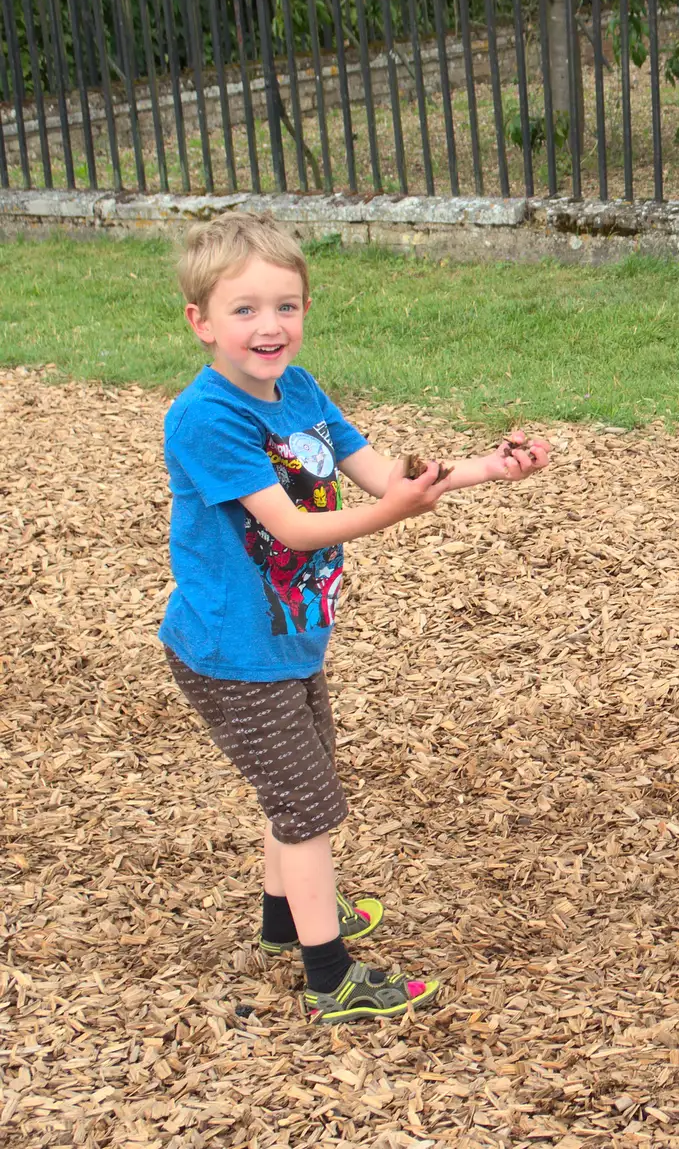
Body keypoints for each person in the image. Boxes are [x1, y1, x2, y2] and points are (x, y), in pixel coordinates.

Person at [160, 212, 550, 1024]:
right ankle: (331, 976)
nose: (270, 325)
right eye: (245, 309)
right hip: (232, 652)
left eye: (287, 305)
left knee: (296, 792)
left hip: (289, 638)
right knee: (308, 808)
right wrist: (399, 514)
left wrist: (485, 468)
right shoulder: (207, 419)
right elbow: (294, 528)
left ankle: (281, 925)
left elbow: (381, 473)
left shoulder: (297, 392)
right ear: (199, 322)